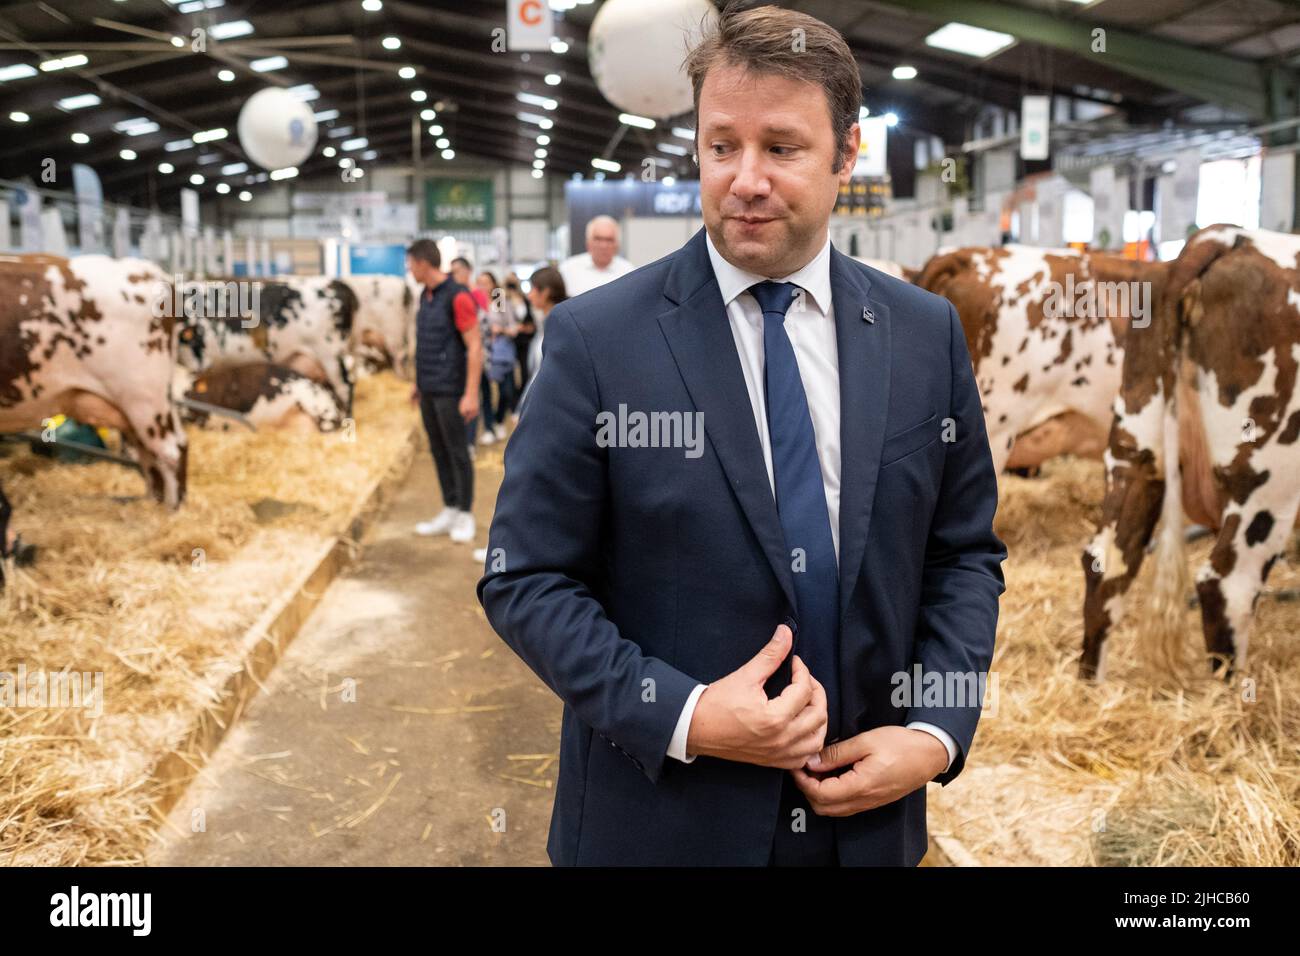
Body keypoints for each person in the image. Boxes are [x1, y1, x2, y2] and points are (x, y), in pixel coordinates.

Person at [478, 3, 1005, 867]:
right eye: (722, 146)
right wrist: (684, 715)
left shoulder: (922, 336)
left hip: (863, 827)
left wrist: (935, 731)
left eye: (782, 147)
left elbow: (963, 556)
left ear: (847, 153)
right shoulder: (597, 341)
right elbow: (526, 579)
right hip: (661, 825)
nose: (745, 178)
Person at [407, 239, 481, 545]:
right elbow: (429, 343)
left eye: (411, 263)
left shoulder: (458, 296)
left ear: (424, 263)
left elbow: (475, 345)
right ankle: (449, 507)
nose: (409, 269)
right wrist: (418, 382)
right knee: (438, 450)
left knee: (457, 451)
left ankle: (465, 513)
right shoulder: (425, 297)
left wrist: (471, 393)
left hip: (452, 390)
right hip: (429, 389)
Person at [517, 266, 566, 410]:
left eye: (532, 289)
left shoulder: (560, 326)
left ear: (545, 292)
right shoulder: (545, 322)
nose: (529, 295)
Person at [558, 215, 634, 297]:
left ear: (617, 244)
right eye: (598, 239)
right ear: (588, 242)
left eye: (609, 240)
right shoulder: (567, 269)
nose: (603, 246)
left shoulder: (629, 272)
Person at [503, 273, 534, 419]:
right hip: (508, 343)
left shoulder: (525, 299)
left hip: (525, 342)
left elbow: (531, 320)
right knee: (508, 379)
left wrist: (525, 328)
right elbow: (498, 318)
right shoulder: (502, 298)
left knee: (525, 375)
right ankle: (511, 407)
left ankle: (520, 406)